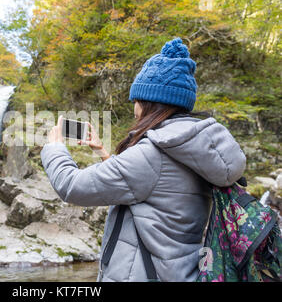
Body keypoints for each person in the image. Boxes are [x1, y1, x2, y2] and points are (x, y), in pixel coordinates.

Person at [40, 38, 246, 282]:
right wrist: (105, 155)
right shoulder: (191, 147)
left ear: (149, 102)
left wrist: (54, 148)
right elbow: (155, 190)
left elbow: (72, 186)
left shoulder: (151, 154)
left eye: (136, 101)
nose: (134, 109)